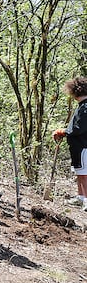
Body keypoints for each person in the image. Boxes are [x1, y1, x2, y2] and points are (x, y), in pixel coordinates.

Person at [52, 76, 87, 211]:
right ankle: (81, 197)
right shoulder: (83, 106)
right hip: (79, 146)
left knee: (84, 174)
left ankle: (86, 200)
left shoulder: (86, 107)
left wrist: (64, 132)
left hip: (84, 146)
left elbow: (79, 127)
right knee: (80, 172)